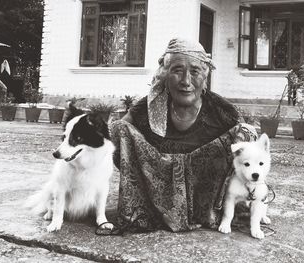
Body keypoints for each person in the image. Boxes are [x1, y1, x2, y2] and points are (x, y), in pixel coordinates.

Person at [108, 38, 257, 233]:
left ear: (205, 76)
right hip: (155, 193)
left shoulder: (220, 109)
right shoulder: (149, 106)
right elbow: (113, 135)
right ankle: (144, 209)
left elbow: (251, 140)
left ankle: (213, 210)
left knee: (245, 133)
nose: (186, 81)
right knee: (119, 129)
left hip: (204, 195)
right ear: (164, 74)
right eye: (177, 70)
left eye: (195, 71)